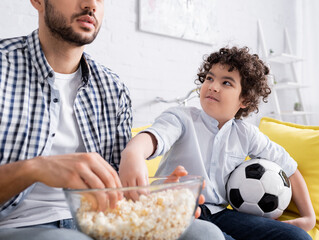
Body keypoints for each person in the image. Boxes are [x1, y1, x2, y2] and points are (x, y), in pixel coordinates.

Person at [0, 0, 225, 239]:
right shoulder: (5, 67)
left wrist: (156, 199)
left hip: (103, 222)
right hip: (19, 225)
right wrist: (35, 168)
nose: (90, 5)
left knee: (206, 234)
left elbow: (120, 191)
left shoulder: (113, 88)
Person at [119, 46, 316, 240]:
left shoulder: (246, 134)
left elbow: (288, 167)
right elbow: (155, 137)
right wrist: (133, 153)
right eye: (209, 78)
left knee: (297, 236)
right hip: (177, 212)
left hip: (219, 213)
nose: (213, 86)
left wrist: (309, 217)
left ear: (245, 100)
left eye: (227, 83)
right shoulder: (181, 118)